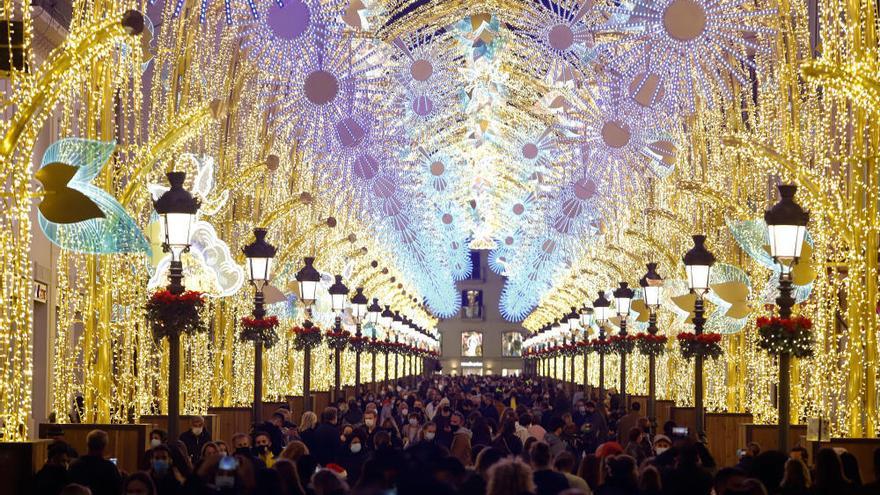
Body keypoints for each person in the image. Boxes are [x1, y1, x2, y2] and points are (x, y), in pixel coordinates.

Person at [66, 430, 122, 495]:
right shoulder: (110, 468)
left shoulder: (75, 465)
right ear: (104, 447)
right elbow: (117, 490)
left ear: (87, 445)